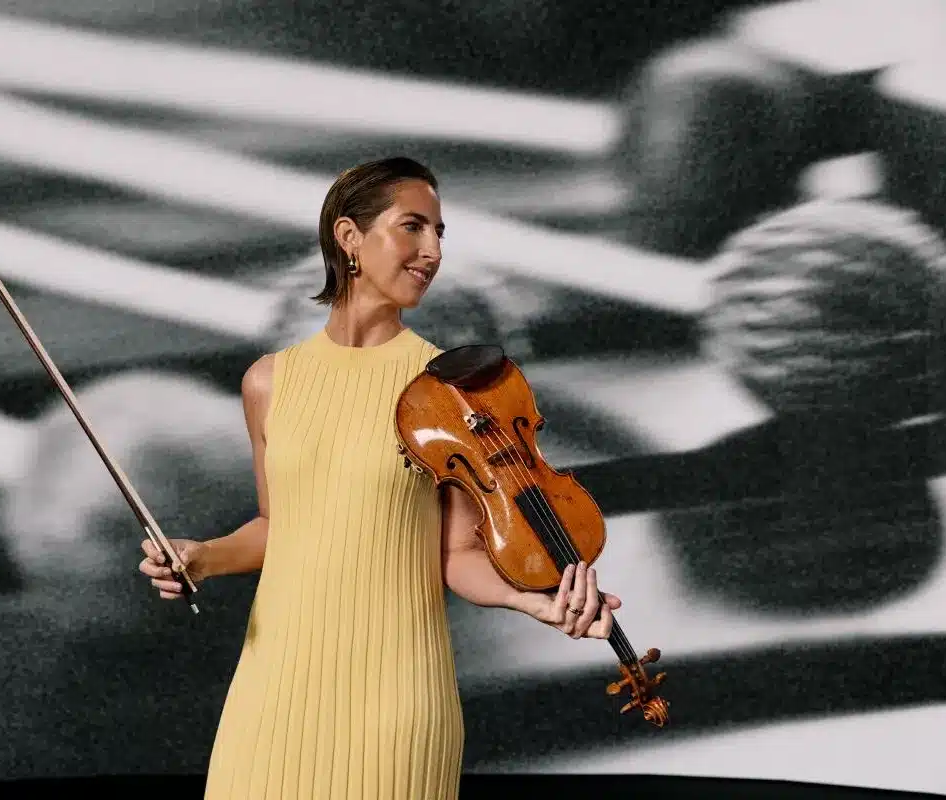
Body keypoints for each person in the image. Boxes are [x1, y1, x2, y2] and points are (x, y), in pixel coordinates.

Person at [138, 156, 622, 799]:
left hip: (398, 687)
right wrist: (203, 556)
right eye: (412, 228)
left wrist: (530, 600)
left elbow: (454, 552)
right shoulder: (268, 383)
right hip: (276, 675)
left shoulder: (457, 397)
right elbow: (280, 527)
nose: (432, 251)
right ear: (348, 238)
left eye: (439, 233)